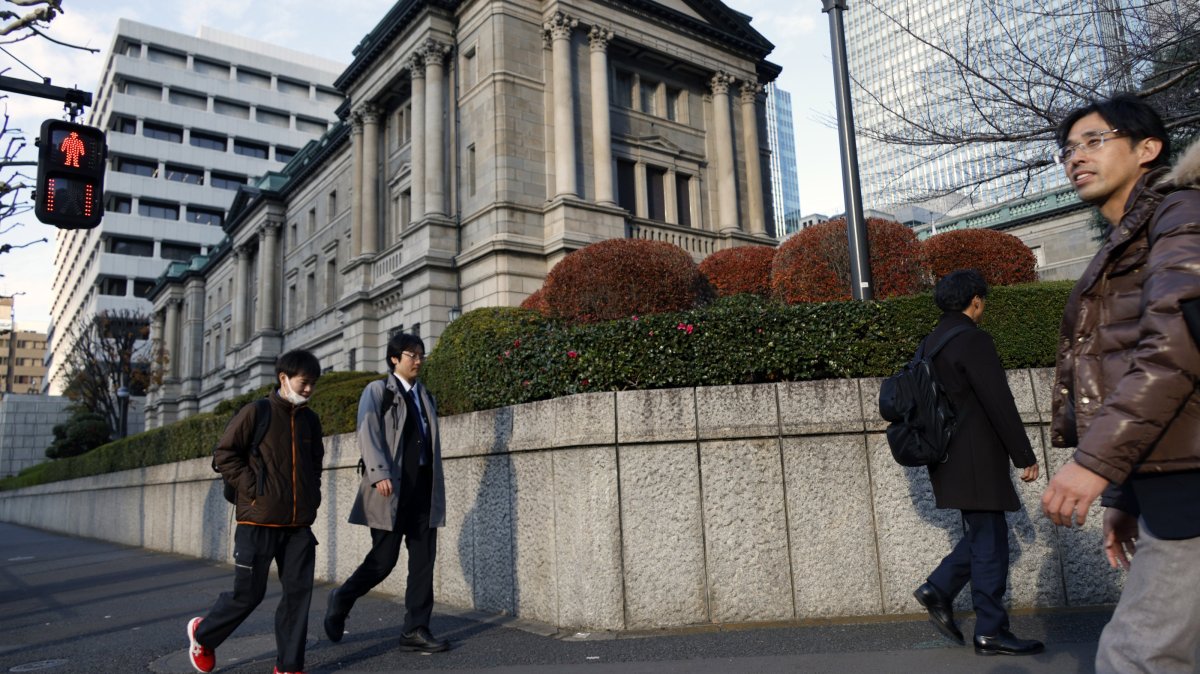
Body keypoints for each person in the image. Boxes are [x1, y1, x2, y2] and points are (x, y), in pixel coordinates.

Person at [1042, 93, 1200, 673]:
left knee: (1137, 657)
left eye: (1094, 141)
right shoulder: (1130, 236)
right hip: (1173, 481)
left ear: (1148, 149)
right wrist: (1125, 496)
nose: (1076, 157)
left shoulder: (1180, 212)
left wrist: (1096, 464)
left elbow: (1174, 347)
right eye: (1068, 149)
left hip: (1193, 484)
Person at [911, 269, 1043, 656]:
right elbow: (998, 401)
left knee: (989, 537)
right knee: (989, 541)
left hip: (946, 456)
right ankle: (990, 630)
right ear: (976, 301)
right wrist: (1025, 455)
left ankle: (938, 588)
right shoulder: (972, 340)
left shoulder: (929, 343)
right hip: (977, 456)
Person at [187, 350, 325, 674]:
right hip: (257, 520)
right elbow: (224, 454)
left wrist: (313, 496)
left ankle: (289, 667)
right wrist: (252, 488)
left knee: (298, 596)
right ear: (284, 379)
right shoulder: (256, 412)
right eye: (304, 383)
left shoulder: (311, 421)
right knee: (248, 594)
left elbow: (315, 465)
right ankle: (203, 635)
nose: (308, 390)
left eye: (312, 385)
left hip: (298, 526)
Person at [323, 333, 449, 653]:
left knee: (423, 562)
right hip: (390, 490)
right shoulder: (379, 391)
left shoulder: (426, 395)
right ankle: (342, 598)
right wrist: (379, 473)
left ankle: (416, 628)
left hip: (423, 487)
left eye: (421, 355)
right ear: (395, 358)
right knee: (383, 561)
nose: (418, 360)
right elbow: (368, 431)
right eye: (412, 355)